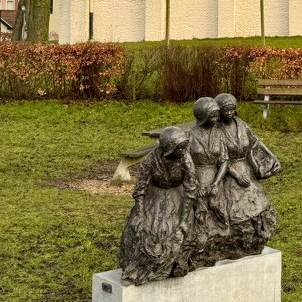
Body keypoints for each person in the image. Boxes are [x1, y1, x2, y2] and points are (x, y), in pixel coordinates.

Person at [187, 92, 281, 266]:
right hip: (228, 175)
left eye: (232, 109)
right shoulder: (216, 129)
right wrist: (234, 175)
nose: (229, 113)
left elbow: (254, 144)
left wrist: (269, 161)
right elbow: (221, 160)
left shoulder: (242, 125)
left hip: (244, 170)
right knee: (229, 209)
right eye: (225, 110)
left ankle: (252, 236)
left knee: (256, 204)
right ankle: (226, 239)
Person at [118, 126, 196, 285]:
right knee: (144, 228)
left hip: (177, 198)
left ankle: (170, 265)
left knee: (171, 230)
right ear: (169, 149)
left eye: (184, 146)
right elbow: (140, 190)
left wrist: (184, 220)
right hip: (155, 197)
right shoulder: (151, 160)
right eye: (179, 147)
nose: (184, 150)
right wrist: (140, 215)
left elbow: (190, 191)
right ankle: (141, 267)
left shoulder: (185, 159)